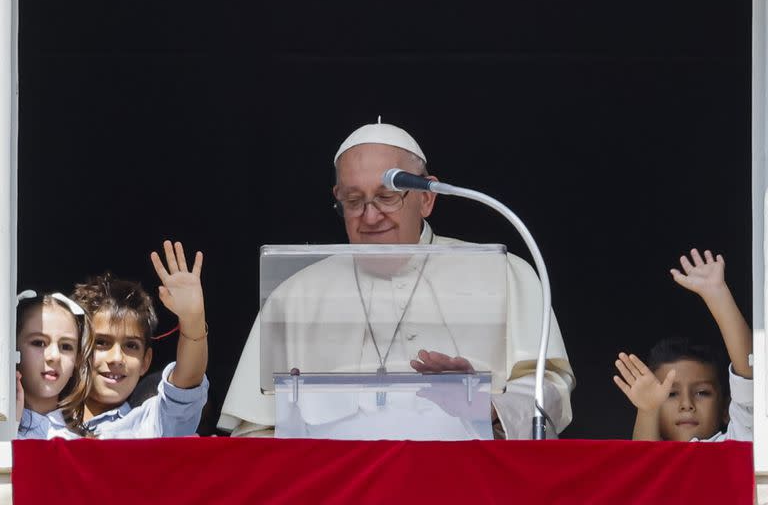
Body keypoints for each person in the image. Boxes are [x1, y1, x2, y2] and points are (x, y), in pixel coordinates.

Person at [218, 120, 575, 439]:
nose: (370, 216)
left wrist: (486, 405)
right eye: (354, 200)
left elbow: (550, 389)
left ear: (426, 197)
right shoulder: (294, 295)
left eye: (387, 197)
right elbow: (255, 432)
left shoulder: (505, 273)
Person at [49, 240, 210, 438]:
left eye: (131, 346)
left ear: (145, 361)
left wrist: (193, 320)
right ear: (77, 351)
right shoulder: (41, 421)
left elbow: (187, 385)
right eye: (102, 342)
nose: (116, 358)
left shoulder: (150, 426)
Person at [613, 248, 753, 441]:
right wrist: (647, 410)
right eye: (670, 394)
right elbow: (645, 464)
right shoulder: (658, 462)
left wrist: (719, 295)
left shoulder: (733, 442)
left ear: (725, 408)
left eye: (703, 392)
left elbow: (749, 375)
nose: (686, 404)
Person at [15, 291, 88, 439]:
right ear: (13, 348)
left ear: (77, 360)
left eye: (66, 346)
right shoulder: (5, 431)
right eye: (39, 343)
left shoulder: (84, 442)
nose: (54, 356)